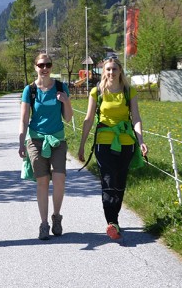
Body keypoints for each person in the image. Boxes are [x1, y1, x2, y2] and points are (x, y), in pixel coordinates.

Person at [77, 57, 148, 241]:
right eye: (107, 69)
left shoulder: (128, 92)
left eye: (114, 69)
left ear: (120, 71)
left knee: (120, 182)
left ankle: (114, 220)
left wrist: (140, 140)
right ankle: (112, 222)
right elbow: (89, 119)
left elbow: (137, 118)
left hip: (126, 142)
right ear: (103, 71)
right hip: (104, 142)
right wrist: (82, 144)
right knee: (108, 180)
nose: (110, 72)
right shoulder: (97, 92)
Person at [19, 53, 73, 240]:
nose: (45, 68)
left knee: (59, 179)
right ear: (35, 67)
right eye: (41, 65)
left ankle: (56, 216)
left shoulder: (60, 87)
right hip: (35, 140)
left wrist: (66, 101)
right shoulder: (30, 90)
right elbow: (25, 118)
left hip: (57, 140)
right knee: (42, 182)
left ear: (51, 67)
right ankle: (44, 223)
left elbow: (68, 117)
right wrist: (21, 142)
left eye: (48, 64)